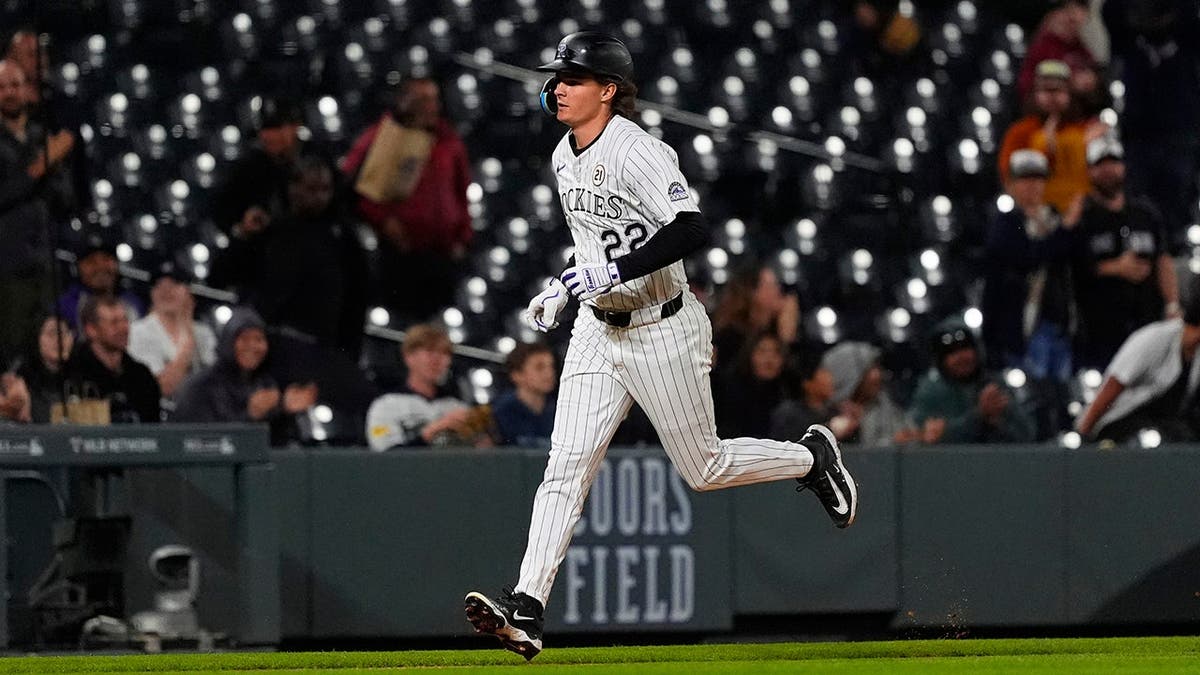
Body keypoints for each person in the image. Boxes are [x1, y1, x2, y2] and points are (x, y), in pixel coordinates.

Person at [463, 32, 858, 661]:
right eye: (558, 77)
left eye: (575, 78)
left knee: (704, 469)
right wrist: (566, 286)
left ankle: (810, 459)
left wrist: (608, 275)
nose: (558, 87)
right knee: (565, 467)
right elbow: (597, 246)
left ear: (608, 90)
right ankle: (528, 607)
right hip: (598, 331)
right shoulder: (565, 155)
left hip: (662, 326)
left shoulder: (637, 150)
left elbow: (691, 226)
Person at [342, 77, 472, 321]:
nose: (431, 106)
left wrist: (462, 237)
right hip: (399, 253)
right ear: (403, 101)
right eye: (423, 100)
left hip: (442, 254)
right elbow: (356, 188)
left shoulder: (448, 140)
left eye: (433, 99)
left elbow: (461, 190)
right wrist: (384, 222)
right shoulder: (381, 135)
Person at [240, 155, 367, 354]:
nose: (319, 197)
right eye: (311, 189)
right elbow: (224, 276)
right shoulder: (271, 227)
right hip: (267, 339)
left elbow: (357, 299)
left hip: (319, 347)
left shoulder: (343, 239)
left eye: (326, 189)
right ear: (293, 188)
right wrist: (243, 235)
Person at [1072, 136, 1178, 370]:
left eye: (1113, 162)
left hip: (1148, 322)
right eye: (1100, 164)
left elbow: (1162, 259)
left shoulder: (1145, 212)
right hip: (1101, 330)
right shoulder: (1083, 218)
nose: (1108, 170)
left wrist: (1172, 305)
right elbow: (1073, 268)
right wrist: (1115, 267)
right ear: (1090, 171)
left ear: (1124, 166)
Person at [1103, 0, 1200, 241]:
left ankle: (1176, 251)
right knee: (1138, 203)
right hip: (1138, 134)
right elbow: (1110, 11)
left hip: (1180, 132)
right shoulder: (1128, 39)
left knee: (1177, 199)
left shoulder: (1187, 34)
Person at [983, 149, 1081, 382]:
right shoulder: (1007, 224)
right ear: (1011, 185)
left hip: (1061, 323)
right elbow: (1027, 257)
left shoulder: (1054, 218)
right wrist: (1064, 231)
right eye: (1025, 179)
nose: (1032, 185)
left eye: (1037, 178)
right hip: (1023, 328)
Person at [0, 58, 74, 360]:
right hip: (6, 267)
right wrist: (42, 166)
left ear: (27, 89)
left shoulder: (41, 136)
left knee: (49, 352)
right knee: (12, 350)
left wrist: (52, 169)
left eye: (15, 85)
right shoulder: (47, 149)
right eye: (1, 87)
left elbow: (65, 200)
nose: (9, 92)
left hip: (46, 262)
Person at [1075, 286, 1200, 443]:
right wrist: (1083, 434)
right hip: (1123, 425)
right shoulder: (1155, 338)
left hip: (1167, 427)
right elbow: (1113, 385)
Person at [173, 308, 318, 433]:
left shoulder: (265, 383)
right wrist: (250, 415)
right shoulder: (201, 386)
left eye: (259, 339)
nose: (252, 346)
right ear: (228, 342)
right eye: (244, 339)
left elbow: (275, 442)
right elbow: (205, 443)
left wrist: (285, 409)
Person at [999, 60, 1106, 217]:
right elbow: (1009, 180)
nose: (1052, 97)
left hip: (1085, 215)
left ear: (1070, 93)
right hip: (1039, 216)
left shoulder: (1087, 130)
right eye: (1045, 90)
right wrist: (1044, 149)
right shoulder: (1020, 132)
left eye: (1058, 90)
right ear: (1034, 93)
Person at [908, 320, 1037, 444]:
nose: (961, 357)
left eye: (965, 348)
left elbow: (1027, 434)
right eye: (951, 352)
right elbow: (927, 437)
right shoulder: (931, 391)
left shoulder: (993, 385)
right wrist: (979, 416)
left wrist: (999, 420)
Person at [365, 324, 484, 450]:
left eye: (444, 353)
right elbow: (383, 453)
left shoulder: (456, 406)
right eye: (430, 351)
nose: (437, 360)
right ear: (408, 356)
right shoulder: (384, 406)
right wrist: (433, 431)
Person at [211, 97, 306, 236]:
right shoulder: (249, 169)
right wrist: (242, 228)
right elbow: (222, 213)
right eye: (265, 129)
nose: (269, 135)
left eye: (277, 127)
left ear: (296, 127)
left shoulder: (314, 161)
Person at [127, 264, 217, 402]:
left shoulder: (204, 332)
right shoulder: (138, 332)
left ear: (188, 291)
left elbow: (215, 381)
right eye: (159, 285)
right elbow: (164, 387)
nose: (166, 291)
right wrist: (187, 344)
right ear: (151, 293)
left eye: (174, 284)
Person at [67, 294, 160, 424]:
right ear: (91, 329)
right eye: (114, 322)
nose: (123, 328)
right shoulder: (73, 374)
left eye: (125, 320)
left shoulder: (141, 376)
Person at [819, 342, 917, 448]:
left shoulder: (886, 405)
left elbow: (911, 436)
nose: (878, 375)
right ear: (848, 374)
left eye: (877, 367)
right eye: (870, 369)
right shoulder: (826, 414)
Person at [710, 265, 799, 378]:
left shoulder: (771, 331)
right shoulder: (729, 337)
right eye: (772, 285)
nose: (779, 291)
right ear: (752, 293)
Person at [57, 238, 145, 332]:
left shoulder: (133, 302)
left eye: (106, 259)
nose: (100, 267)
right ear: (77, 269)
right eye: (91, 262)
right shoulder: (66, 306)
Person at [1016, 0, 1096, 104]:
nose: (1071, 26)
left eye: (1076, 23)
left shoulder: (1080, 50)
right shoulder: (1042, 47)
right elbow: (1026, 86)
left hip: (1075, 114)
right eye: (1069, 19)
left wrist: (1092, 82)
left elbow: (1094, 77)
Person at [714, 331, 787, 439]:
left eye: (776, 353)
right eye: (762, 351)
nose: (769, 359)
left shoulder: (786, 393)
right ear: (749, 355)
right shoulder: (728, 390)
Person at [491, 342, 557, 447]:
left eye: (551, 366)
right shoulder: (501, 411)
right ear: (517, 374)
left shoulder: (560, 409)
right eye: (539, 367)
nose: (549, 373)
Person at [14, 314, 72, 423]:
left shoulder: (80, 377)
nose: (60, 339)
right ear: (36, 339)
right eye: (52, 333)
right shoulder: (21, 382)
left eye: (65, 333)